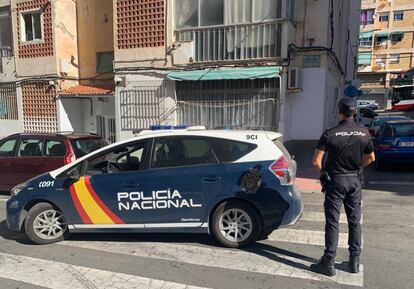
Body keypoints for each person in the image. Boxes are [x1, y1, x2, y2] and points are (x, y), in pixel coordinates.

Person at [310, 97, 376, 277]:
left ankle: (328, 262)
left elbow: (316, 162)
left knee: (333, 222)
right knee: (354, 221)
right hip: (355, 180)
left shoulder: (330, 133)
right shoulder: (364, 133)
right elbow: (371, 158)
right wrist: (357, 167)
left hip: (336, 181)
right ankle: (354, 261)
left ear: (339, 111)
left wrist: (324, 171)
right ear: (355, 112)